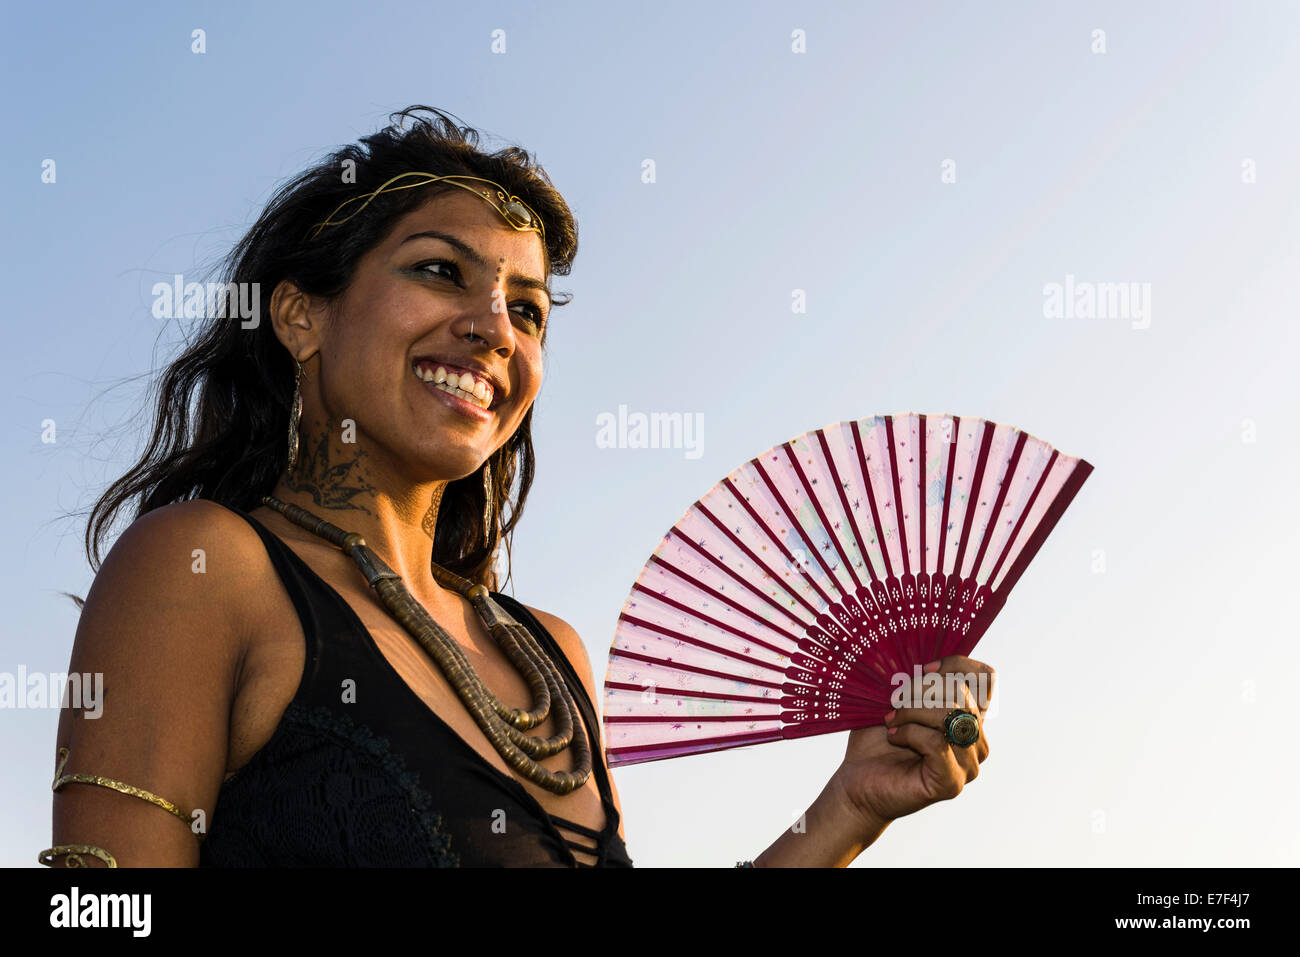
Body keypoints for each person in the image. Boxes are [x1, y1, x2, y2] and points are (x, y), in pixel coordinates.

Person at [42, 106, 993, 868]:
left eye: (528, 310)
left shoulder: (552, 658)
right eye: (439, 271)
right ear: (301, 314)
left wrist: (848, 810)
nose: (495, 328)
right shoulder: (205, 567)